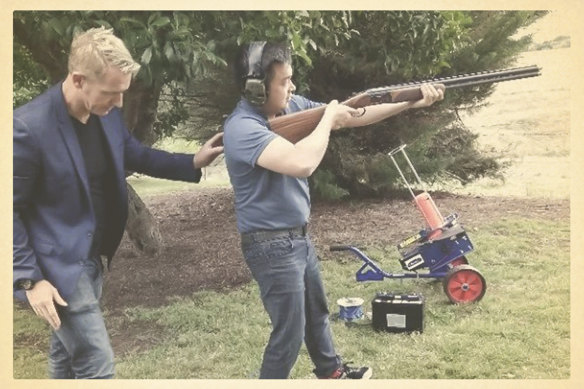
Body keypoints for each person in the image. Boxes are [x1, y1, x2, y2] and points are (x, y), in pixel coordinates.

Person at [223, 41, 443, 379]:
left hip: (298, 236)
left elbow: (356, 113)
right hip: (270, 245)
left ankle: (330, 372)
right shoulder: (242, 129)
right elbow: (302, 162)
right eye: (284, 81)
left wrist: (411, 101)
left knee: (317, 312)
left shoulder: (292, 108)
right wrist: (327, 119)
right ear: (255, 88)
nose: (292, 87)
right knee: (289, 336)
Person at [13, 27, 224, 379]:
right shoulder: (28, 128)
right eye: (112, 93)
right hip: (60, 267)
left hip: (95, 258)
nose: (120, 103)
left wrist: (191, 162)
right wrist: (29, 281)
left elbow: (135, 153)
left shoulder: (106, 115)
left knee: (65, 361)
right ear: (79, 80)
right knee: (98, 367)